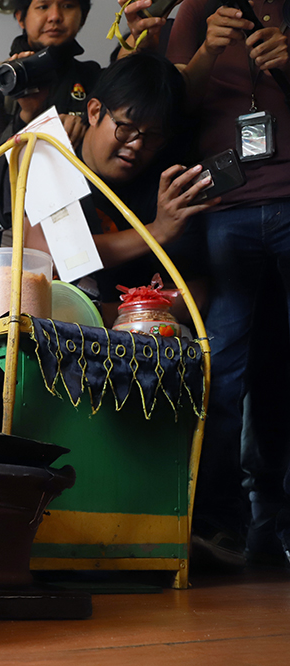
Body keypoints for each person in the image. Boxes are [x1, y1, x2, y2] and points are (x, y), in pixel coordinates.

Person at [167, 0, 290, 567]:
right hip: (223, 207)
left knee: (267, 373)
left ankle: (269, 526)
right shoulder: (196, 10)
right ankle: (219, 527)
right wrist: (206, 52)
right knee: (219, 371)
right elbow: (172, 109)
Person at [24, 52, 215, 309]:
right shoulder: (53, 154)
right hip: (51, 331)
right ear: (94, 111)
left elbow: (194, 296)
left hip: (130, 337)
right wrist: (157, 231)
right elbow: (50, 254)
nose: (137, 145)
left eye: (153, 136)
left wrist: (109, 318)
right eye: (125, 127)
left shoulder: (167, 189)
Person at [0, 0, 101, 296]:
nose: (54, 16)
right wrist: (28, 113)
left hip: (75, 239)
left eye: (67, 5)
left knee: (74, 338)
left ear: (84, 15)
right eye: (42, 6)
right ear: (20, 16)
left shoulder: (93, 80)